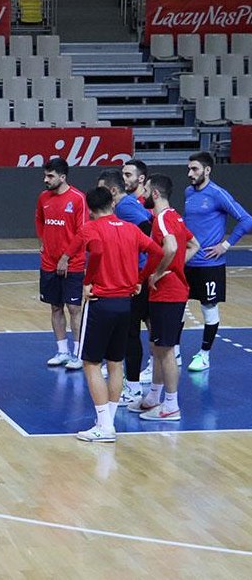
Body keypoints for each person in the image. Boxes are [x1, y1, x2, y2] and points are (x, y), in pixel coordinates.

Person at [58, 187, 163, 443]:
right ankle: (109, 423)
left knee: (91, 363)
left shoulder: (90, 228)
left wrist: (88, 282)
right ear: (113, 204)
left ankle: (104, 426)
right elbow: (158, 252)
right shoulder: (131, 229)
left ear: (90, 209)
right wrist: (140, 279)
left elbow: (93, 252)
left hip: (100, 303)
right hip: (125, 304)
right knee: (116, 363)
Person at [130, 174, 199, 422]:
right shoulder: (176, 217)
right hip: (165, 292)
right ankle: (153, 397)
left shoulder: (162, 219)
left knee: (167, 350)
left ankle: (171, 406)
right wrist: (176, 266)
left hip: (169, 293)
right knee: (158, 347)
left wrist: (159, 273)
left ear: (155, 194)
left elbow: (170, 247)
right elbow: (194, 245)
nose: (142, 194)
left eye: (146, 190)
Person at [182, 151, 252, 372]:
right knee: (177, 306)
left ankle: (204, 355)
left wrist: (225, 245)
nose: (190, 173)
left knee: (209, 308)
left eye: (194, 169)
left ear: (207, 170)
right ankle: (173, 353)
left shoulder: (218, 194)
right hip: (187, 262)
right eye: (189, 169)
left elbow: (246, 219)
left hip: (210, 265)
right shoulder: (188, 192)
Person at [97, 168, 153, 405]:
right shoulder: (129, 204)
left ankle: (133, 387)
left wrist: (135, 252)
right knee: (138, 330)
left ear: (111, 191)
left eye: (101, 190)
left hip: (137, 277)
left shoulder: (124, 207)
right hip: (139, 275)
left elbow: (147, 227)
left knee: (131, 333)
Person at [35, 158, 87, 370]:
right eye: (45, 175)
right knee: (55, 307)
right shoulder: (43, 197)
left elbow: (82, 232)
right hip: (48, 262)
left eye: (50, 176)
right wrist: (42, 241)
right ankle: (62, 351)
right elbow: (39, 220)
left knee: (74, 308)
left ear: (63, 177)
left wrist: (66, 257)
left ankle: (79, 354)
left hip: (72, 263)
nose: (46, 180)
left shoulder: (78, 198)